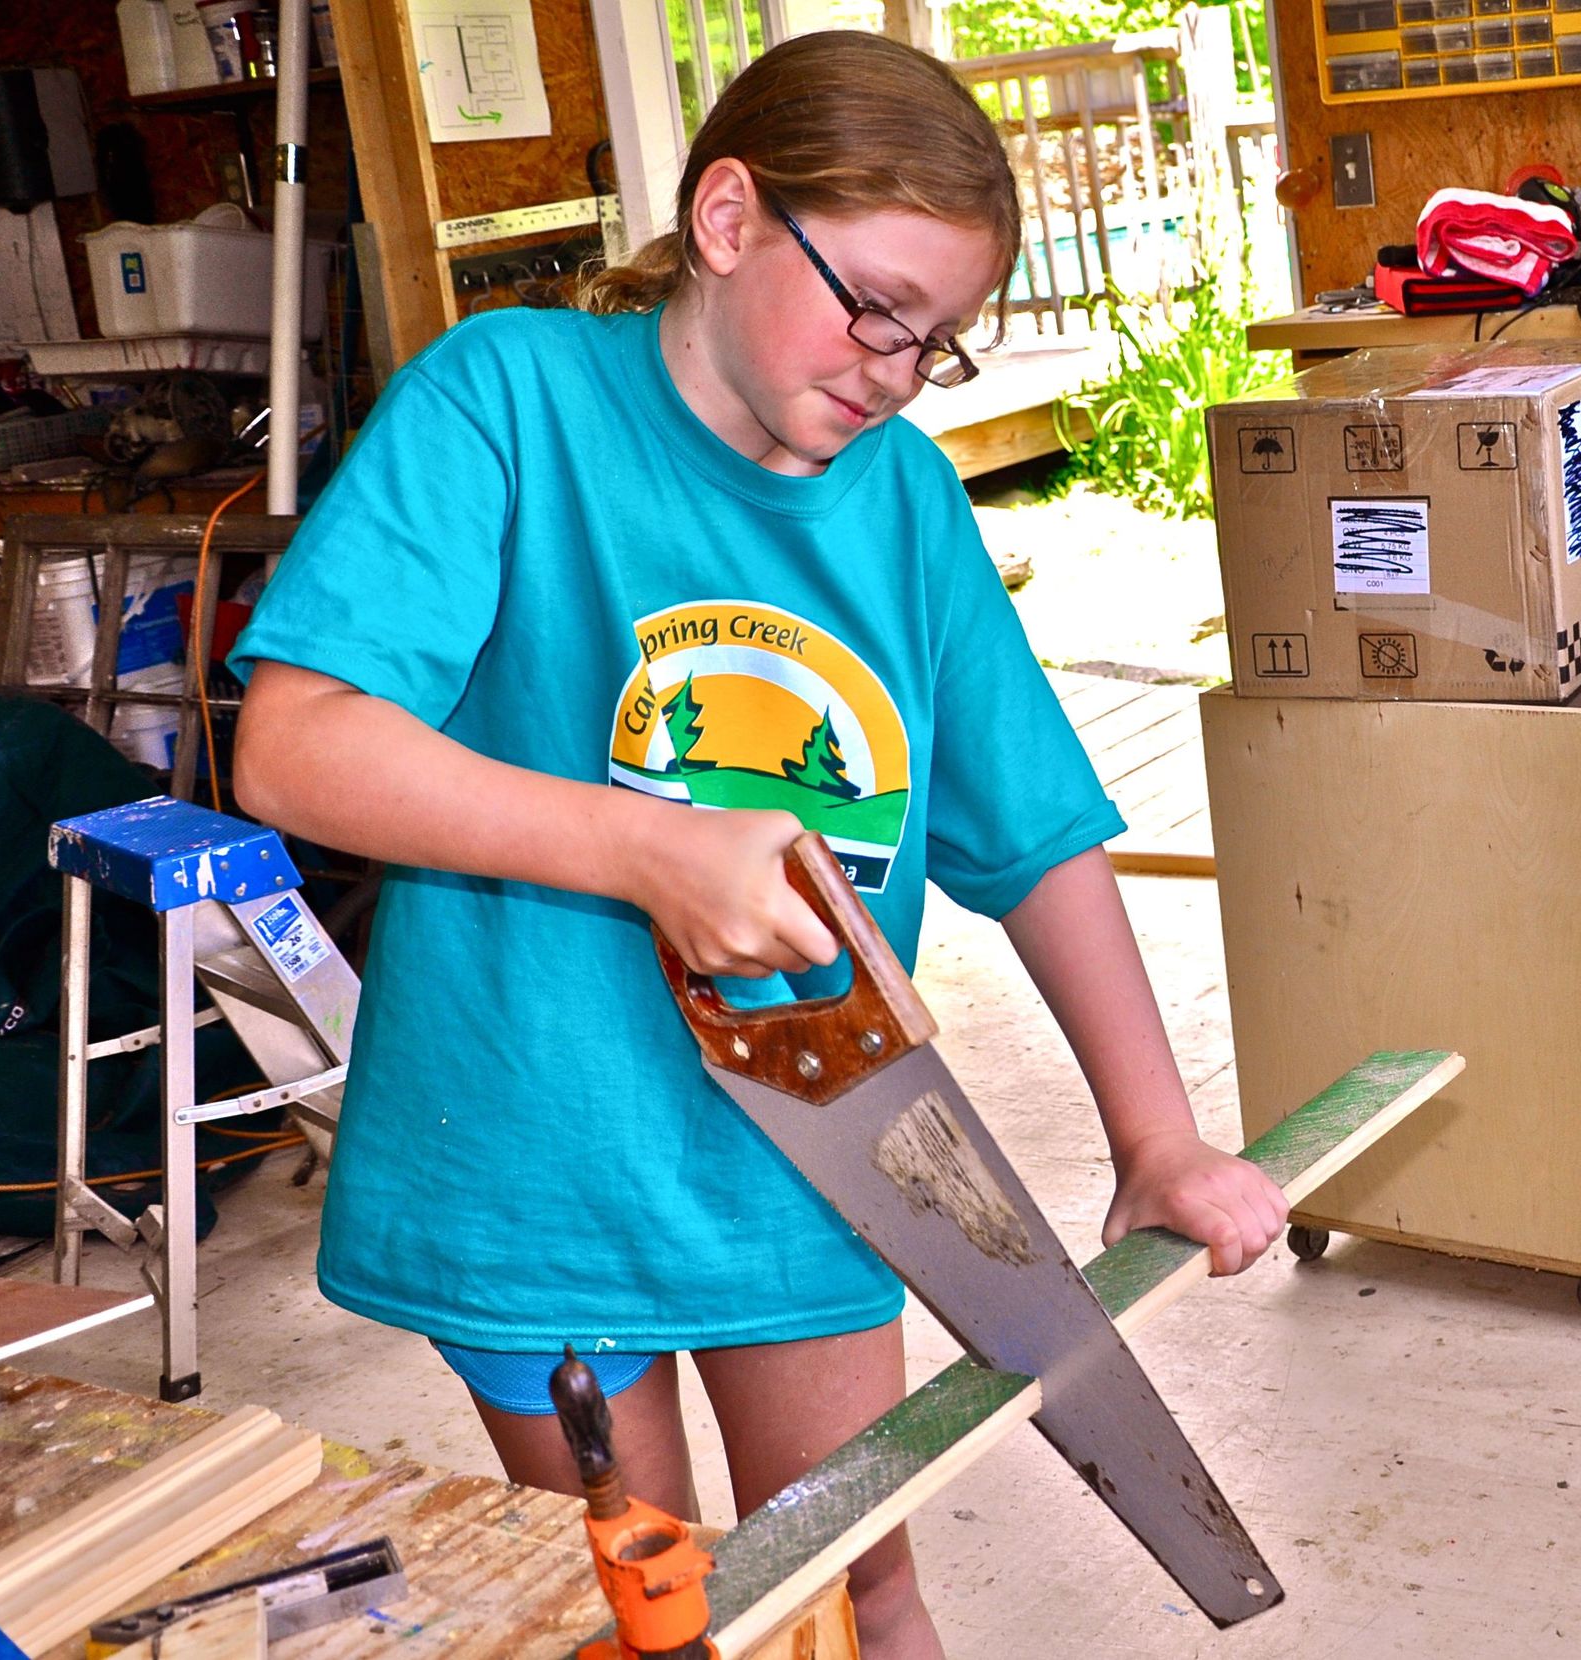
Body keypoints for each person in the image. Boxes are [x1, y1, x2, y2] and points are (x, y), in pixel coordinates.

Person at [228, 31, 1287, 1658]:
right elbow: (298, 747)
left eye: (937, 342)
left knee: (860, 1586)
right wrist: (652, 853)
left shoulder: (908, 502)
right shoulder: (505, 400)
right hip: (531, 1157)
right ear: (729, 218)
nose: (893, 367)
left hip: (816, 1153)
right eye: (874, 307)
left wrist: (1154, 1135)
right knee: (657, 1612)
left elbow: (1043, 839)